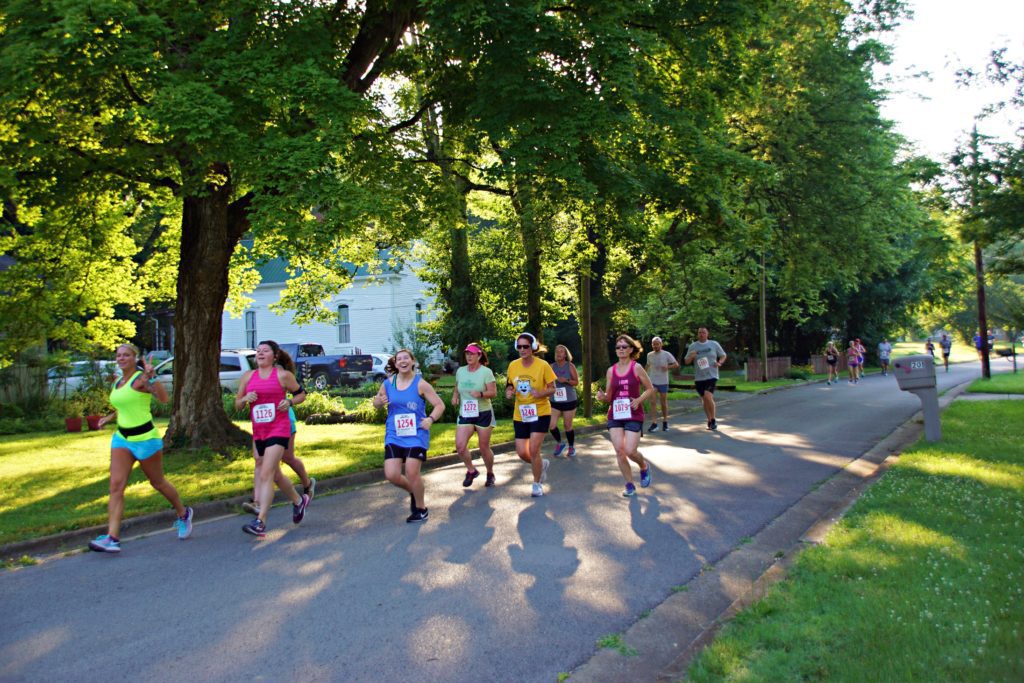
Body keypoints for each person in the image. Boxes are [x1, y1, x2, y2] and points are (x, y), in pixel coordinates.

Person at [89, 344, 193, 553]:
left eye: (126, 355)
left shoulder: (141, 379)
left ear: (134, 357)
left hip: (146, 440)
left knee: (158, 482)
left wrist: (153, 377)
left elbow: (163, 399)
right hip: (122, 439)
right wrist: (110, 417)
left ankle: (183, 513)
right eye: (118, 355)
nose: (121, 358)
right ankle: (112, 537)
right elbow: (125, 405)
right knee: (116, 486)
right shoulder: (120, 381)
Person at [235, 340, 310, 537]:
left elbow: (301, 395)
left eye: (265, 351)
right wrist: (244, 399)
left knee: (266, 472)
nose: (260, 353)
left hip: (279, 428)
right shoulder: (248, 377)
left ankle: (261, 521)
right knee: (275, 474)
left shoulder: (283, 376)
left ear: (274, 356)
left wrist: (289, 401)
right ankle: (298, 501)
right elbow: (237, 404)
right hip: (260, 431)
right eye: (258, 351)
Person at [372, 349, 445, 522]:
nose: (403, 361)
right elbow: (376, 402)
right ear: (396, 364)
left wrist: (430, 419)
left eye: (406, 358)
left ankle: (421, 508)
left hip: (416, 434)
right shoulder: (388, 384)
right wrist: (378, 402)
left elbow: (439, 405)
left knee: (412, 472)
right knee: (392, 475)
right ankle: (413, 490)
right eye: (399, 359)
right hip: (394, 434)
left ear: (413, 362)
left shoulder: (421, 384)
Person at [597, 335, 655, 497]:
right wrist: (603, 397)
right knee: (619, 451)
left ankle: (643, 466)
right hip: (615, 414)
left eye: (624, 347)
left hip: (633, 413)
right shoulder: (611, 370)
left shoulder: (636, 368)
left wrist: (638, 400)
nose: (621, 349)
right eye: (618, 347)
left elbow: (650, 388)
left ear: (631, 350)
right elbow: (609, 396)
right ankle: (629, 484)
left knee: (630, 450)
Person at [505, 333, 556, 497]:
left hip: (540, 412)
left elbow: (552, 388)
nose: (522, 349)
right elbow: (510, 385)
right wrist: (509, 391)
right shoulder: (513, 365)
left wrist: (540, 393)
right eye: (519, 346)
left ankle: (537, 483)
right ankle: (541, 464)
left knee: (534, 450)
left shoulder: (543, 365)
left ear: (533, 347)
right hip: (520, 414)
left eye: (525, 346)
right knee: (522, 452)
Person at [452, 343, 497, 487]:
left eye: (472, 354)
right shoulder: (461, 371)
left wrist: (481, 394)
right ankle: (471, 470)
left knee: (483, 447)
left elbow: (493, 393)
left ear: (479, 355)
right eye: (467, 354)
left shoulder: (486, 372)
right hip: (466, 412)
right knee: (460, 446)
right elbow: (457, 387)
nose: (469, 356)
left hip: (483, 413)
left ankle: (490, 473)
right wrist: (455, 396)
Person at [684, 327, 727, 430]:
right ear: (697, 334)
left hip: (711, 375)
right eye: (699, 333)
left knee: (708, 396)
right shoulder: (693, 346)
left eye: (703, 332)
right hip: (699, 377)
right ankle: (709, 419)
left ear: (707, 334)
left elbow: (723, 355)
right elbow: (686, 361)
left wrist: (719, 362)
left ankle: (713, 419)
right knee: (704, 399)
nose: (701, 334)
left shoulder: (714, 344)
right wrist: (691, 357)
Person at [548, 344, 580, 458]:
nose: (559, 353)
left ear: (565, 354)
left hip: (569, 400)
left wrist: (566, 380)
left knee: (567, 425)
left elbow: (576, 382)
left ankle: (571, 447)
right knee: (551, 425)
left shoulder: (570, 366)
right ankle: (560, 443)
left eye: (561, 351)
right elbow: (547, 381)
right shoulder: (551, 366)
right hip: (555, 400)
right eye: (557, 351)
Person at [645, 336, 679, 433]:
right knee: (653, 402)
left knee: (663, 402)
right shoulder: (649, 355)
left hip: (663, 381)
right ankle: (654, 423)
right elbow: (647, 366)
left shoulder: (666, 354)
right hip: (653, 381)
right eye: (654, 344)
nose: (655, 346)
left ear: (661, 344)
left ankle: (665, 421)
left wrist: (668, 367)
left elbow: (676, 364)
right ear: (652, 345)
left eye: (657, 344)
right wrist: (642, 376)